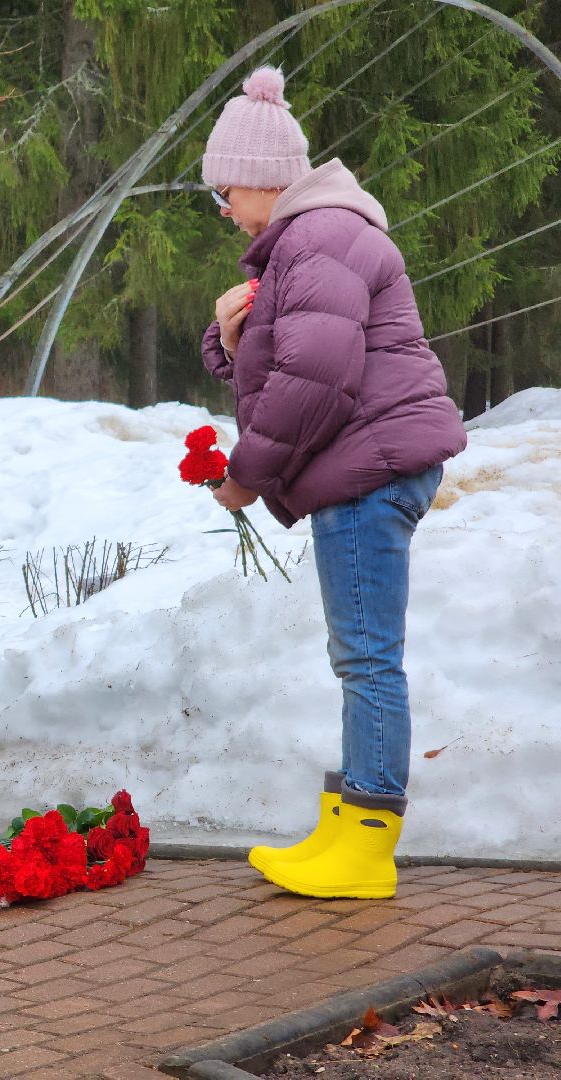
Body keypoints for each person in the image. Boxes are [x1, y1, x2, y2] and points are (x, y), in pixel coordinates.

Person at [199, 66, 466, 900]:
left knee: (368, 660)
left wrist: (246, 477)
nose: (225, 214)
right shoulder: (314, 239)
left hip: (367, 469)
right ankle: (346, 826)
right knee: (358, 654)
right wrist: (230, 333)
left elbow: (317, 381)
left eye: (223, 195)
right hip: (367, 464)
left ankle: (368, 848)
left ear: (255, 178)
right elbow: (280, 364)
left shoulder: (318, 239)